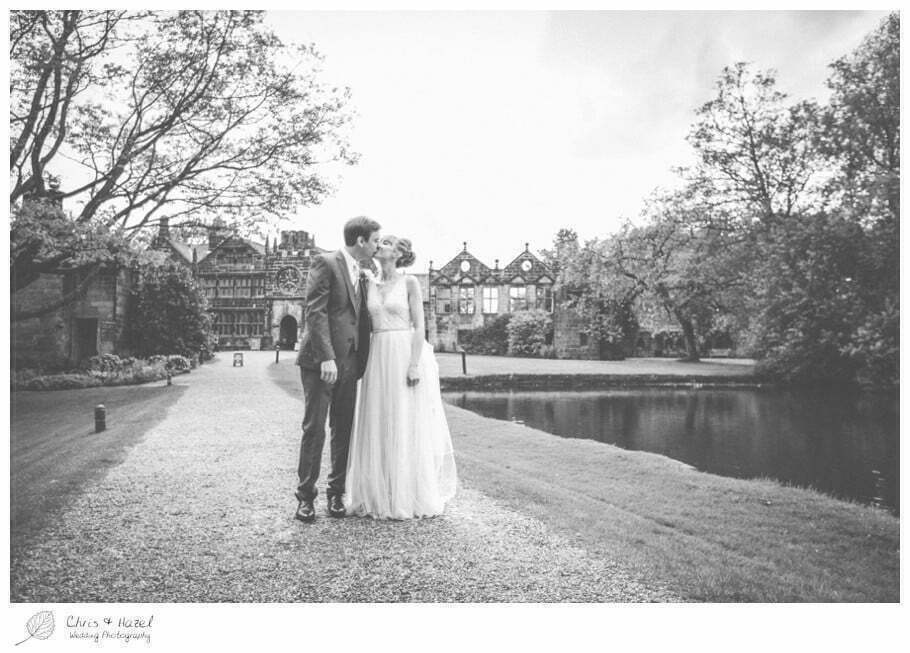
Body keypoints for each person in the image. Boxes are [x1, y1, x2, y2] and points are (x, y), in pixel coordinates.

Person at [345, 235, 457, 519]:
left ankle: (405, 494)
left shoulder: (410, 283)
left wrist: (414, 364)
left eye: (385, 243)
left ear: (397, 253)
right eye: (379, 241)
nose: (379, 245)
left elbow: (419, 327)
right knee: (377, 417)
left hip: (402, 352)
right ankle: (376, 493)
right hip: (377, 354)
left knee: (403, 418)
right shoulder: (368, 282)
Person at [294, 216, 381, 522]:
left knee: (343, 428)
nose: (377, 246)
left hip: (351, 362)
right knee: (315, 428)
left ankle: (335, 494)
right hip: (322, 362)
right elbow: (315, 311)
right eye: (375, 240)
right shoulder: (326, 262)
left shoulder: (363, 273)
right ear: (360, 240)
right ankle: (305, 498)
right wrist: (326, 357)